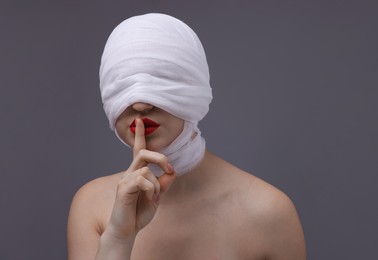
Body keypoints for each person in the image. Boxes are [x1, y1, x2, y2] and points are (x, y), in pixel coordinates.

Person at [67, 13, 306, 260]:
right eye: (121, 82)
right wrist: (118, 239)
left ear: (195, 87)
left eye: (161, 79)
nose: (139, 104)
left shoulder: (269, 213)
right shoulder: (92, 206)